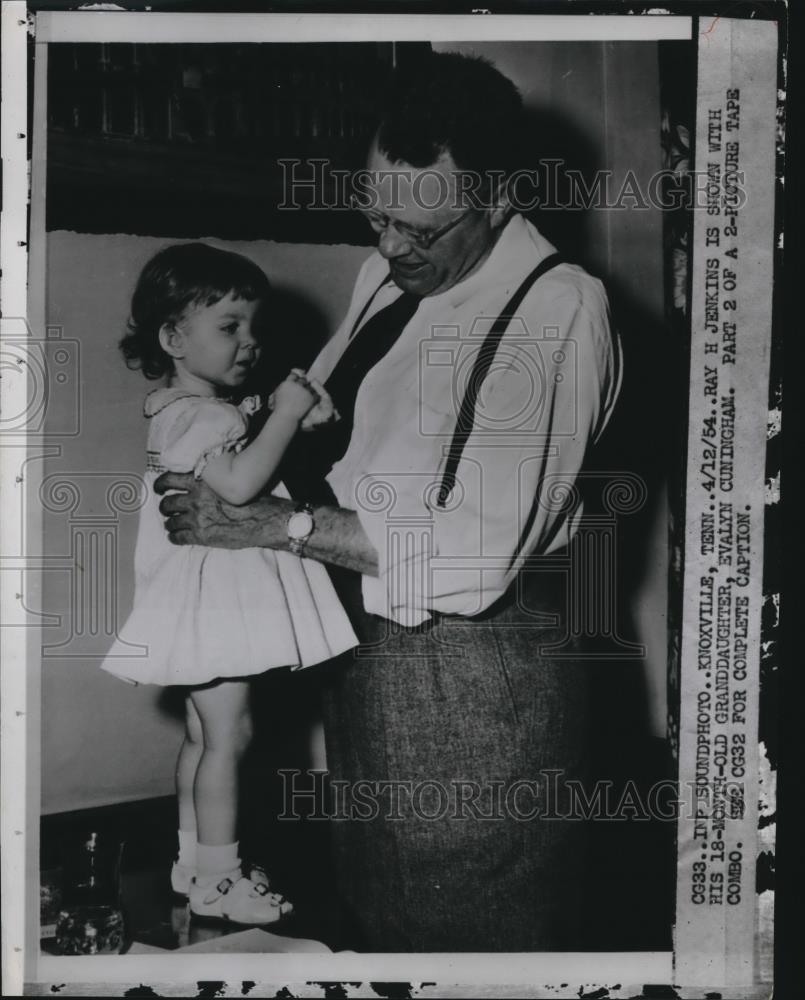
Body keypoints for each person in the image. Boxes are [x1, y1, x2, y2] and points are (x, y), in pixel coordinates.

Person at [156, 52, 622, 950]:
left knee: (465, 935)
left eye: (419, 226)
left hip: (481, 686)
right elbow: (326, 425)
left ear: (499, 196)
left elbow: (473, 557)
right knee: (379, 922)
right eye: (374, 212)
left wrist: (269, 526)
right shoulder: (395, 276)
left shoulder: (556, 310)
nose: (389, 246)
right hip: (372, 662)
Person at [101, 243, 357, 926]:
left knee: (202, 737)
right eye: (229, 326)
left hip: (196, 601)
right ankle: (219, 875)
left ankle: (194, 864)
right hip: (216, 604)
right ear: (173, 337)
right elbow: (242, 488)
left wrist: (290, 424)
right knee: (230, 739)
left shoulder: (178, 408)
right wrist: (281, 414)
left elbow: (239, 463)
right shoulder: (206, 416)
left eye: (254, 327)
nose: (250, 342)